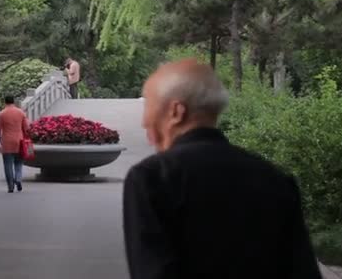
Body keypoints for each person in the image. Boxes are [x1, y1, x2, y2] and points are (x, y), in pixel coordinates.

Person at [123, 58, 322, 279]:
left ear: (176, 112)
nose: (144, 121)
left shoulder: (153, 178)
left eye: (148, 106)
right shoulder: (275, 179)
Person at [0, 95, 30, 193]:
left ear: (5, 102)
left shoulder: (1, 114)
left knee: (8, 165)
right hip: (19, 141)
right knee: (19, 163)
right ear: (14, 101)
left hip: (6, 142)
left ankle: (10, 186)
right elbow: (26, 128)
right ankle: (18, 179)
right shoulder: (20, 112)